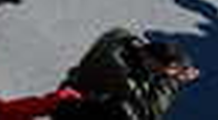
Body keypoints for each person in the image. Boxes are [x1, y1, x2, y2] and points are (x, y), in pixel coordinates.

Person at [57, 29, 197, 120]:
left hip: (73, 90)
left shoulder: (118, 39)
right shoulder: (124, 78)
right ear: (151, 61)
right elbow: (150, 113)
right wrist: (175, 80)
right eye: (164, 70)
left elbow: (120, 35)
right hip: (79, 110)